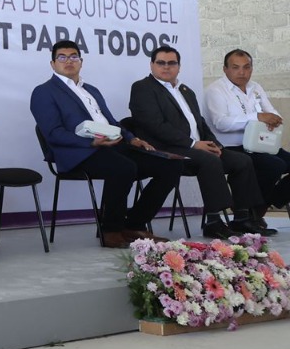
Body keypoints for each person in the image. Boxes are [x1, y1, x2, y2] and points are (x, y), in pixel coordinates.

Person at [30, 40, 183, 248]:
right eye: (62, 57)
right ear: (52, 64)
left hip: (111, 145)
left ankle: (134, 224)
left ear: (81, 62)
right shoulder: (44, 92)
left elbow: (111, 122)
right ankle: (111, 229)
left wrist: (132, 138)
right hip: (79, 152)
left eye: (74, 56)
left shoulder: (91, 90)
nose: (69, 61)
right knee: (124, 167)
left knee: (171, 165)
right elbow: (53, 133)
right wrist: (91, 142)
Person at [128, 44, 264, 238]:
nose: (166, 67)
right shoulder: (143, 88)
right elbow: (154, 126)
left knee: (241, 161)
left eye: (172, 63)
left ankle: (243, 218)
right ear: (152, 65)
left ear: (179, 66)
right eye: (161, 63)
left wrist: (214, 144)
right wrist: (193, 144)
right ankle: (214, 221)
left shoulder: (185, 90)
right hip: (166, 149)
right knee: (209, 161)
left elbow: (200, 123)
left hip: (196, 147)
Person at [203, 48, 288, 234]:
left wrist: (272, 119)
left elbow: (273, 113)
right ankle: (250, 214)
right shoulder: (215, 90)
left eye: (246, 67)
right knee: (274, 165)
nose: (242, 72)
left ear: (252, 68)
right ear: (225, 69)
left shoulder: (255, 87)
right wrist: (257, 117)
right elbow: (221, 123)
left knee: (281, 162)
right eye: (235, 67)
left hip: (259, 143)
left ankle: (262, 206)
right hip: (231, 147)